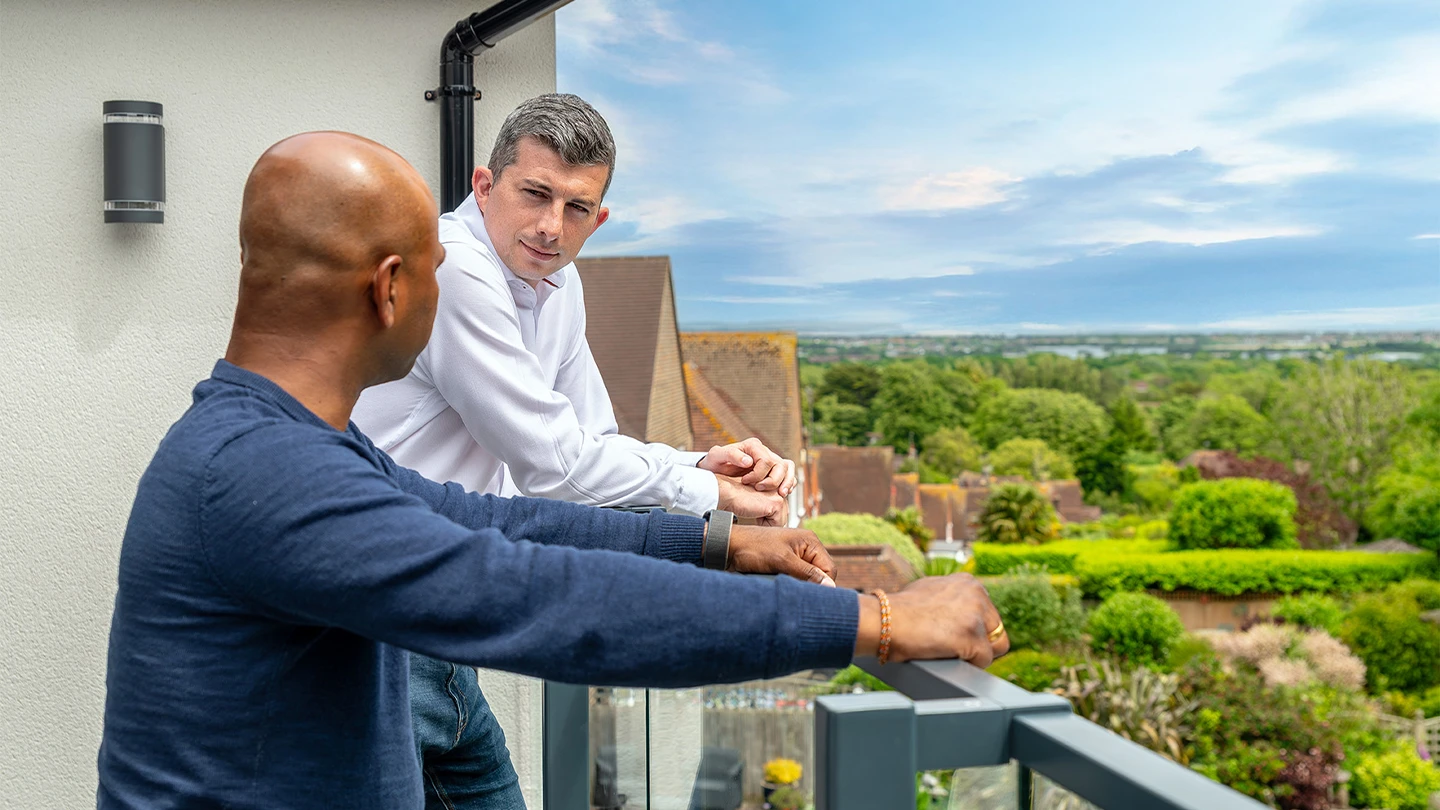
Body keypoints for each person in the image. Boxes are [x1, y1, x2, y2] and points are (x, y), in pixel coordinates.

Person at [95, 132, 1009, 810]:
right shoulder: (266, 476)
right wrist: (876, 619)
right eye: (438, 266)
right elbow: (536, 595)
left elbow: (492, 521)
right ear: (391, 288)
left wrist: (711, 544)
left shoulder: (279, 444)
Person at [350, 94, 808, 807]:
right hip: (377, 621)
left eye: (575, 208)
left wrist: (701, 465)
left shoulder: (558, 285)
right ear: (484, 185)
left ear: (599, 219)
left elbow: (591, 445)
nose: (549, 225)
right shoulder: (452, 270)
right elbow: (551, 463)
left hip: (439, 614)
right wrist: (714, 499)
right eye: (535, 193)